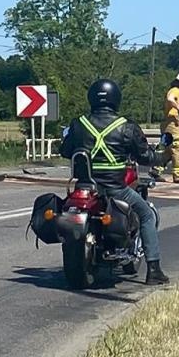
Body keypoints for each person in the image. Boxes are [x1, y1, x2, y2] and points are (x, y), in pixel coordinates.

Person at [59, 78, 168, 285]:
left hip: (85, 187)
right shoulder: (126, 127)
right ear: (116, 98)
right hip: (116, 189)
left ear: (91, 98)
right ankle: (154, 270)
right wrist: (163, 157)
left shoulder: (78, 124)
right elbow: (145, 157)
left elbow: (64, 150)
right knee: (146, 215)